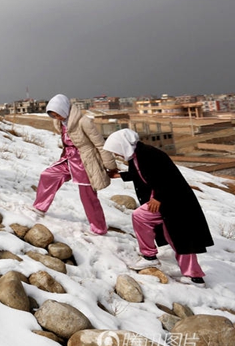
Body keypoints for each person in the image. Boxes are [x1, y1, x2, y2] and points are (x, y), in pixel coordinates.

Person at [105, 129, 214, 285]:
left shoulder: (150, 154)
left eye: (117, 150)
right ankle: (158, 260)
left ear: (123, 145)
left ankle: (193, 277)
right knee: (170, 232)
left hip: (175, 202)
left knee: (180, 236)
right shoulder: (136, 156)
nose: (117, 155)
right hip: (164, 201)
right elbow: (142, 174)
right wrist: (120, 175)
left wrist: (158, 198)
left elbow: (169, 178)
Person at [33, 94, 116, 235]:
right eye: (53, 116)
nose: (56, 118)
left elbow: (100, 144)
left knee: (88, 196)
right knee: (48, 175)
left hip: (85, 161)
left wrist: (111, 166)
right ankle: (39, 207)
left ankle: (99, 228)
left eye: (57, 114)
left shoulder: (84, 122)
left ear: (64, 110)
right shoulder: (59, 122)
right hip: (68, 159)